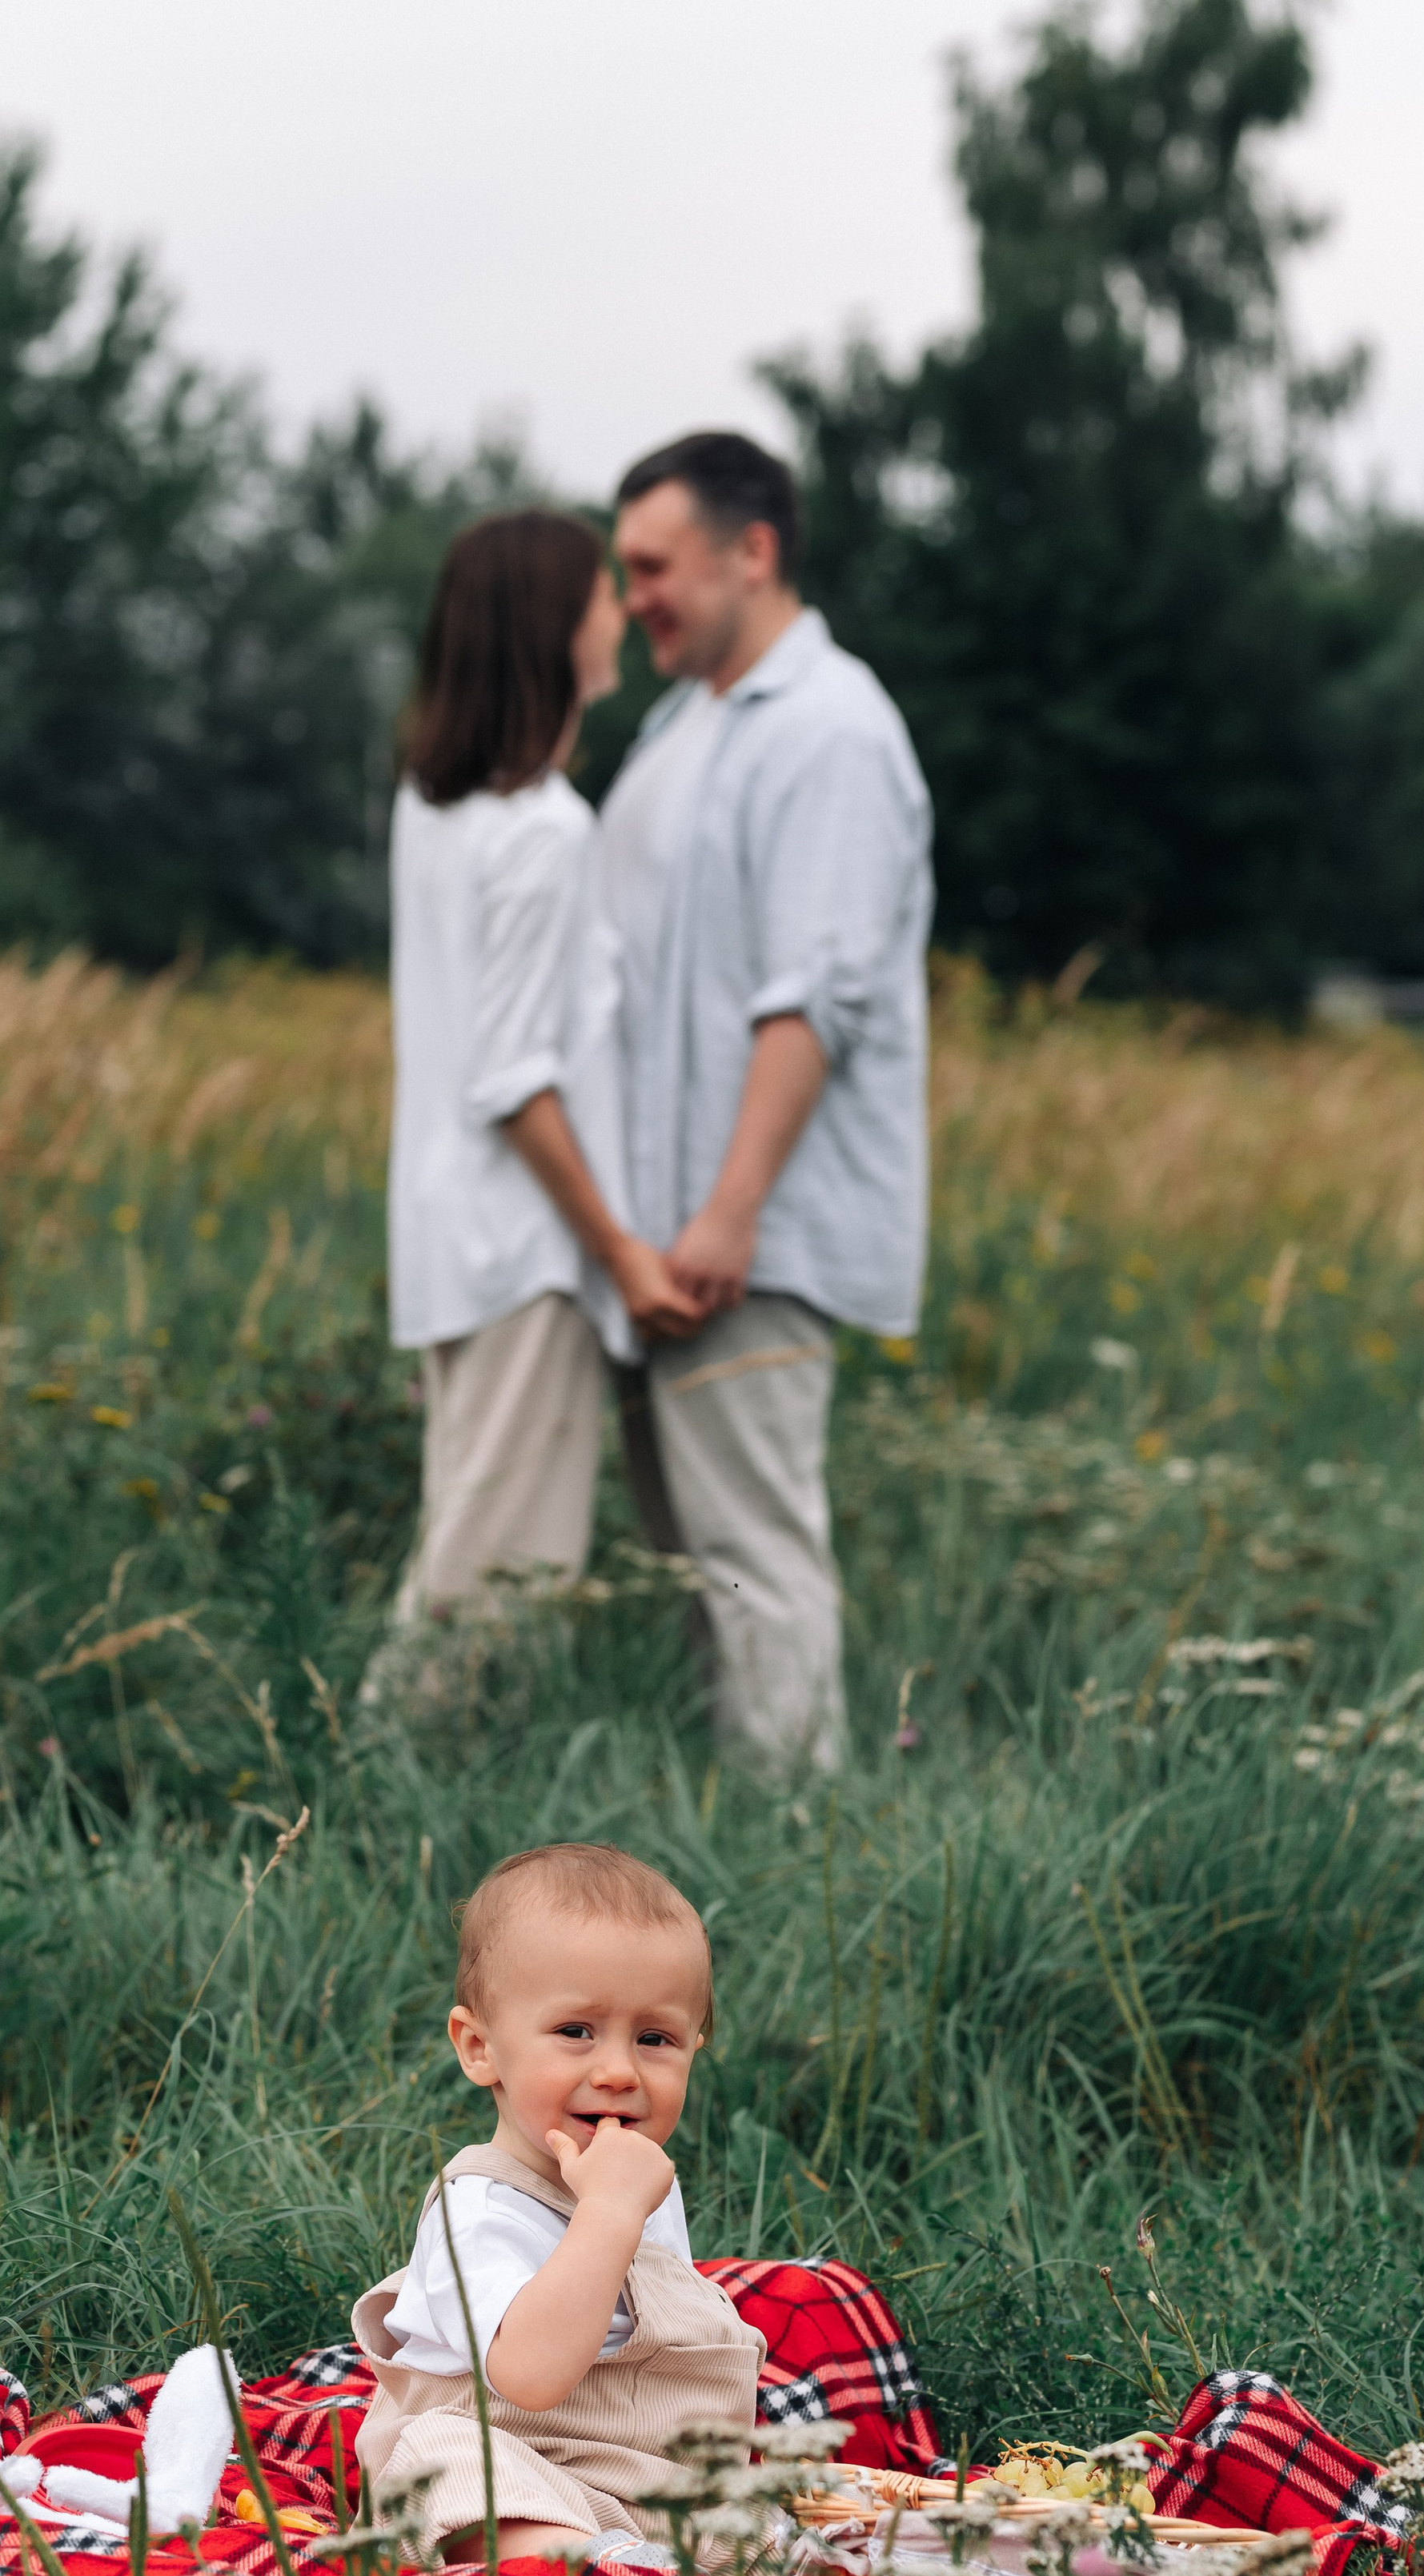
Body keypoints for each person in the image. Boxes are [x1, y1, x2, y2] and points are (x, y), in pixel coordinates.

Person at [601, 432, 933, 1773]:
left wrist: (729, 1210)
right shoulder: (686, 724)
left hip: (745, 1233)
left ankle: (802, 1845)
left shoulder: (833, 731)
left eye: (654, 567)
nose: (636, 601)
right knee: (691, 1565)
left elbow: (818, 994)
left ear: (754, 550)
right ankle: (705, 1856)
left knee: (753, 1554)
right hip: (655, 1233)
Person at [383, 512, 699, 1643]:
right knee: (493, 1593)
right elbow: (511, 1078)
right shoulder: (545, 832)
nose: (621, 611)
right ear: (554, 628)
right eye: (603, 593)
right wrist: (622, 1255)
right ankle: (381, 1798)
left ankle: (390, 1786)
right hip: (522, 1251)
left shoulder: (434, 807)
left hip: (447, 1237)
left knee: (467, 1546)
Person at [351, 1841, 761, 2560]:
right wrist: (608, 2213)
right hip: (515, 2466)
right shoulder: (477, 2209)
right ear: (479, 2047)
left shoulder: (637, 2184)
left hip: (643, 2484)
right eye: (576, 2032)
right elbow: (530, 2376)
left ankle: (666, 2575)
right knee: (448, 2463)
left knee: (765, 2542)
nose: (616, 2071)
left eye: (655, 2039)